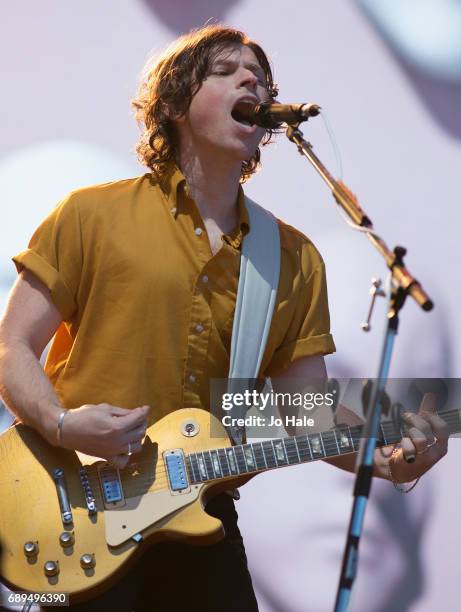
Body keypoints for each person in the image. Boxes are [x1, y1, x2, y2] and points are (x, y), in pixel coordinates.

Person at [0, 24, 448, 612]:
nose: (253, 83)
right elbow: (12, 349)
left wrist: (388, 458)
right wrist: (63, 424)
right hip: (77, 509)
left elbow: (299, 411)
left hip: (202, 517)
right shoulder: (91, 215)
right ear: (175, 103)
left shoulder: (292, 257)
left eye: (261, 78)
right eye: (227, 71)